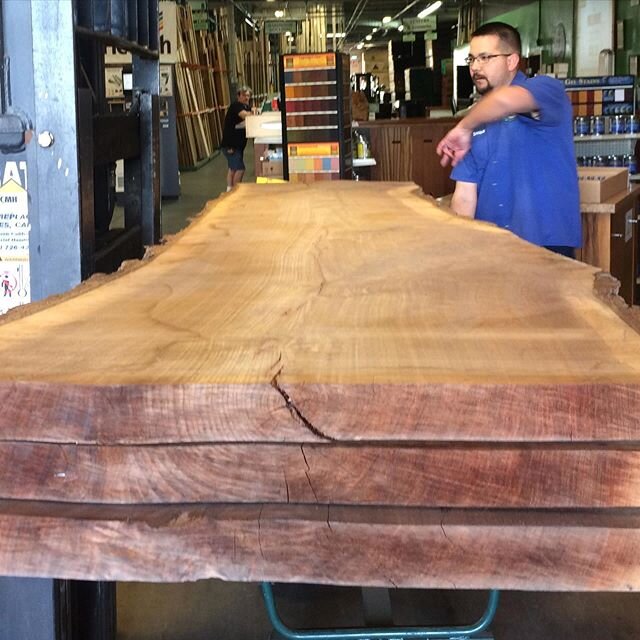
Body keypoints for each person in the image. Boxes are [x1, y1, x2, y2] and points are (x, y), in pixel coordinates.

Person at [436, 22, 581, 258]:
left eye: (485, 58)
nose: (475, 67)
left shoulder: (546, 91)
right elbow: (464, 195)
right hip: (492, 250)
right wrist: (458, 250)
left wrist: (463, 126)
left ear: (512, 61)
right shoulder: (475, 119)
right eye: (472, 59)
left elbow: (504, 101)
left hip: (545, 246)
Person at [221, 86, 253, 191]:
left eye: (248, 95)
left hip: (236, 145)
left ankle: (229, 191)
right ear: (238, 96)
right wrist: (254, 112)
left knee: (232, 169)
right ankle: (235, 192)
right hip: (231, 145)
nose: (246, 98)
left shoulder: (245, 106)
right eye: (244, 95)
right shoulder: (236, 106)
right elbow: (245, 116)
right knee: (240, 169)